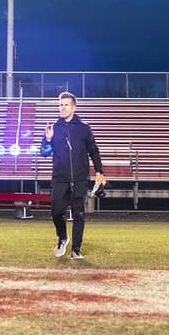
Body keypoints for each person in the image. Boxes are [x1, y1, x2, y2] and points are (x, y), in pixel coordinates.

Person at [38, 91, 104, 259]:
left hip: (80, 179)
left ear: (74, 107)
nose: (63, 108)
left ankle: (76, 249)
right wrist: (47, 139)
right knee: (56, 211)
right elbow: (44, 153)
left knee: (78, 213)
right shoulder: (53, 128)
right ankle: (62, 237)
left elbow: (94, 152)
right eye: (60, 105)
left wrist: (99, 171)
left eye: (66, 105)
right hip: (60, 178)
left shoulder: (84, 128)